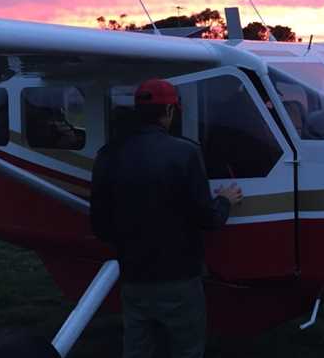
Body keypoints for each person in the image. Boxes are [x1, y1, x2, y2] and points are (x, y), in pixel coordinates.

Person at [90, 78, 243, 358]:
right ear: (171, 112)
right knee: (187, 348)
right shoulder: (185, 152)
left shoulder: (106, 154)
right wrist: (224, 201)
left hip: (133, 276)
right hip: (179, 277)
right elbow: (207, 218)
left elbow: (99, 225)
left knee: (137, 347)